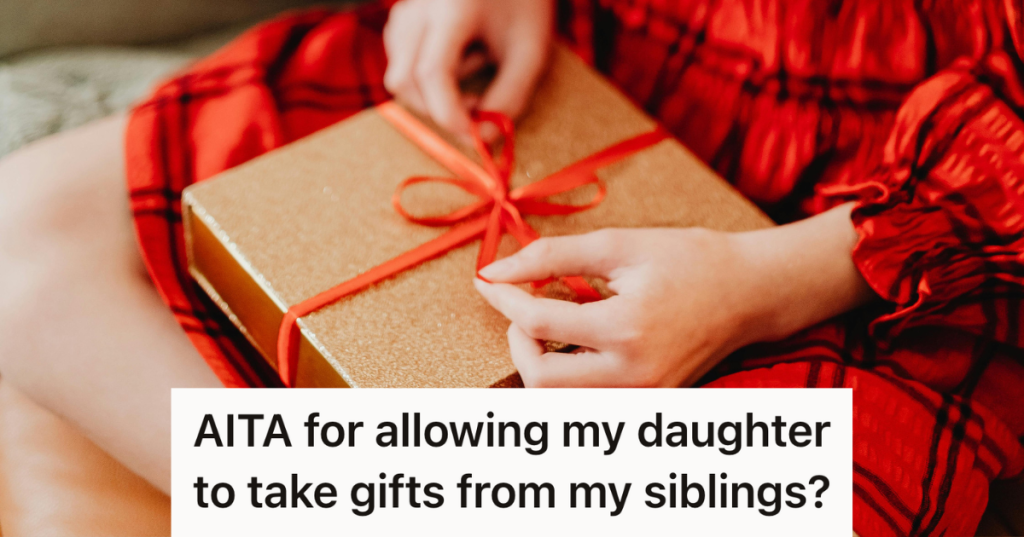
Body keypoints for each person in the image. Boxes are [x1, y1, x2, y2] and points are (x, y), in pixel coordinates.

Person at [0, 0, 1022, 534]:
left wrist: (772, 281)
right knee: (24, 235)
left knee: (788, 487)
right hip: (582, 55)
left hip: (910, 213)